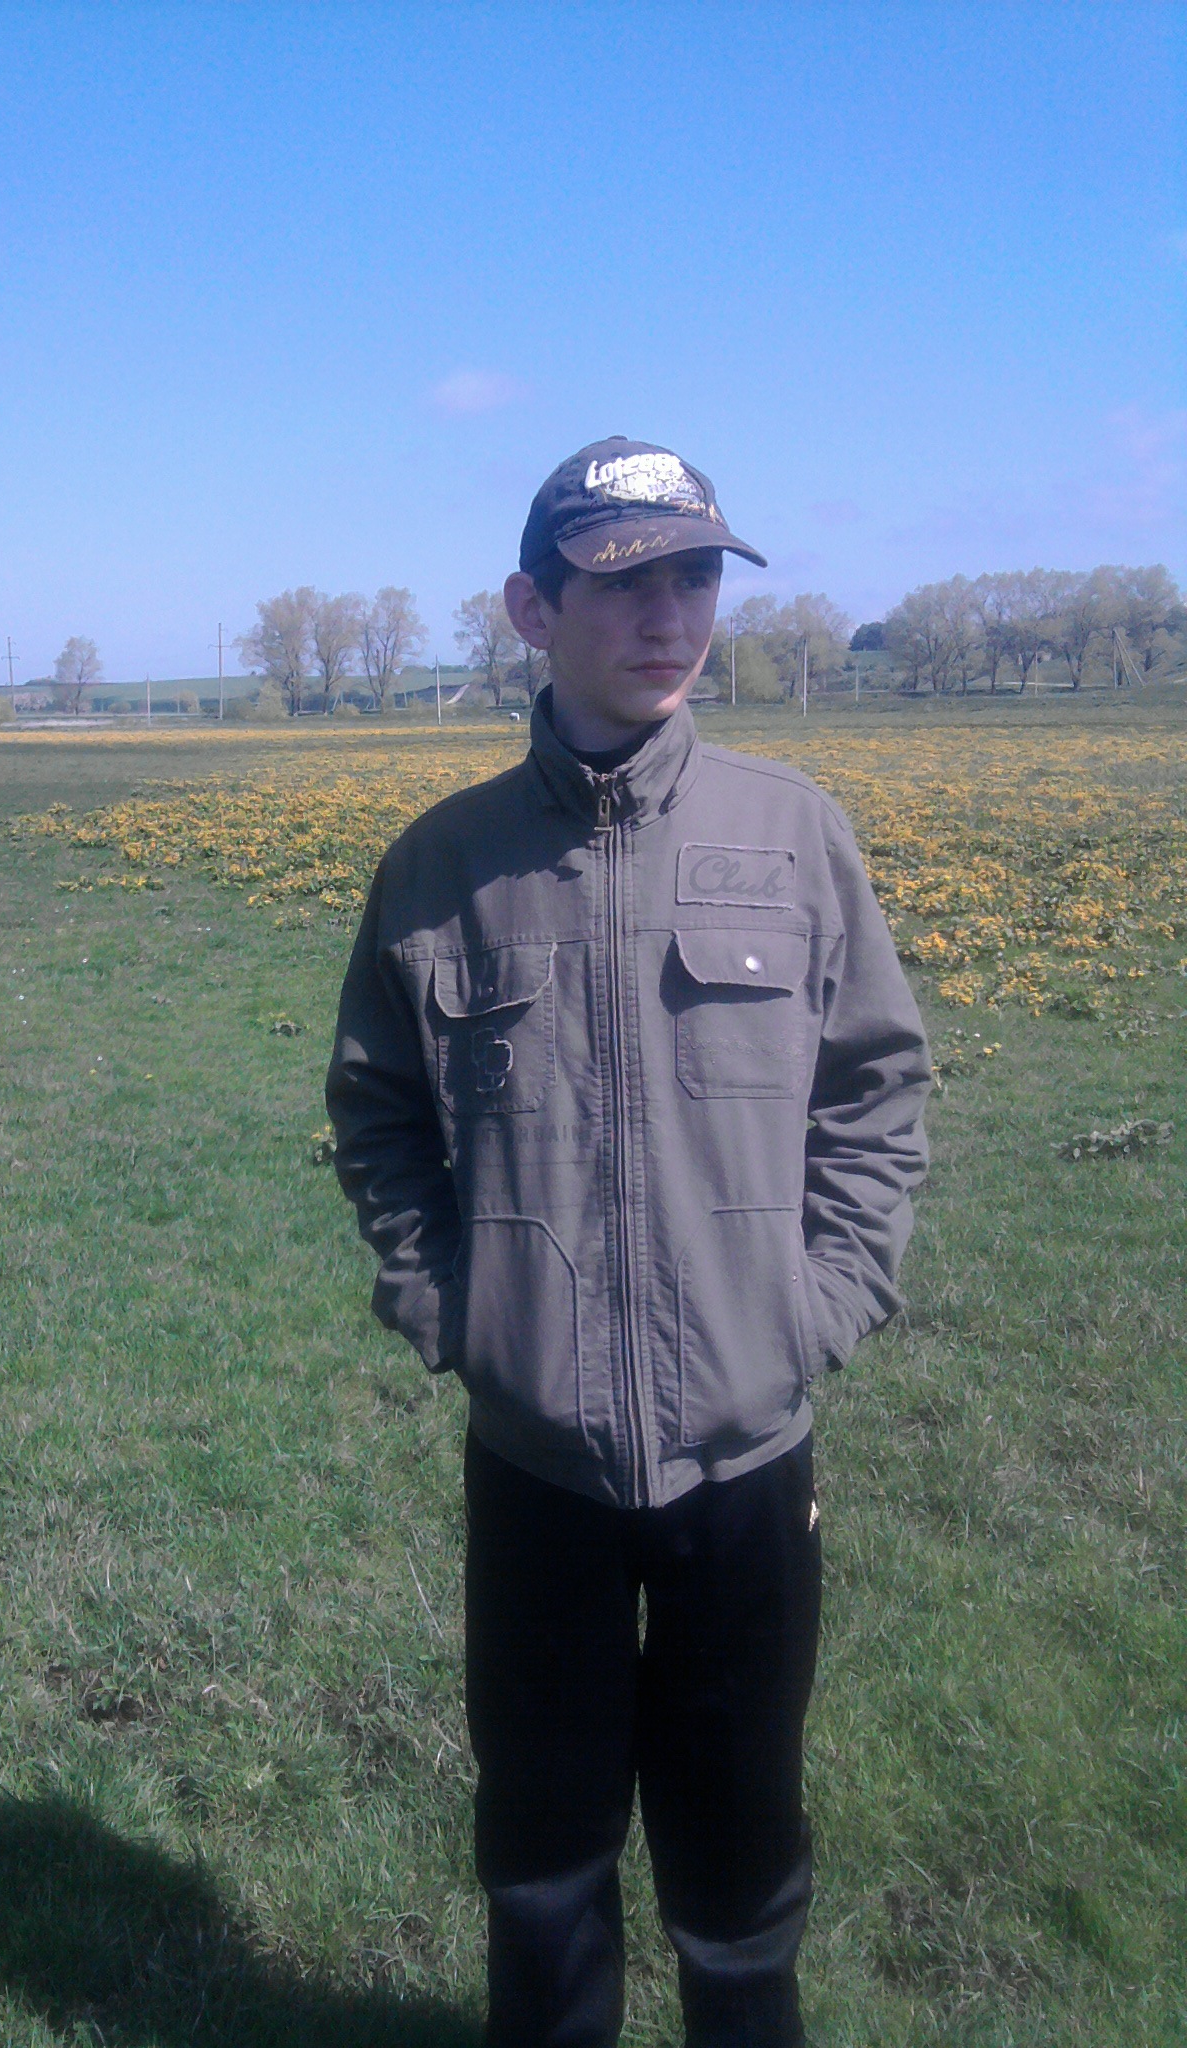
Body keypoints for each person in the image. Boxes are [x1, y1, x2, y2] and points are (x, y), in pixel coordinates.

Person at [325, 437, 931, 2047]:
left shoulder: (795, 836)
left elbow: (876, 1089)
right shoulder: (441, 866)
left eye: (695, 577)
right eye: (624, 582)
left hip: (746, 1466)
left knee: (741, 1875)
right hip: (538, 1472)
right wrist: (456, 1307)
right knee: (543, 1868)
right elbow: (377, 1110)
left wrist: (815, 1305)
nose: (670, 617)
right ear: (532, 608)